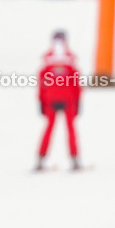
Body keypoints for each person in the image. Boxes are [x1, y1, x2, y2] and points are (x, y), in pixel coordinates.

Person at [36, 31, 82, 171]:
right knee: (70, 128)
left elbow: (42, 82)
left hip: (51, 98)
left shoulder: (48, 60)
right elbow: (76, 82)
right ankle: (74, 160)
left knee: (49, 128)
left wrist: (41, 100)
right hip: (68, 98)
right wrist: (78, 100)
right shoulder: (70, 59)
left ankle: (40, 159)